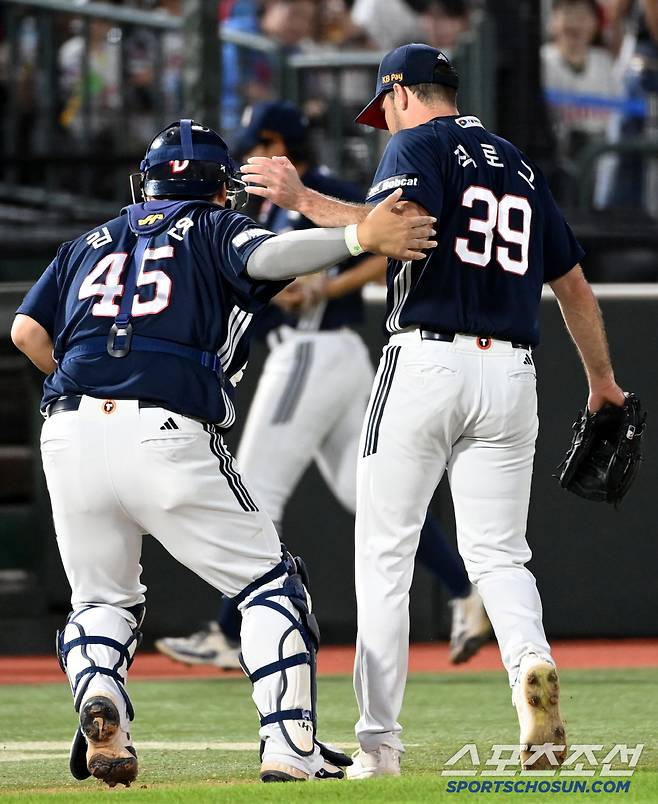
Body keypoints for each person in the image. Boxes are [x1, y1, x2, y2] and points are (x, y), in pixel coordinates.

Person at [240, 44, 627, 778]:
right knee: (501, 554)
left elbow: (394, 228)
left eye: (383, 107)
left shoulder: (417, 142)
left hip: (429, 358)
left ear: (400, 93)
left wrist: (302, 202)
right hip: (513, 373)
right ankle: (531, 670)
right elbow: (574, 284)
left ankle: (379, 747)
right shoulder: (517, 162)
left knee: (384, 554)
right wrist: (602, 381)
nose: (382, 122)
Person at [10, 119, 435, 786]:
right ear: (221, 192)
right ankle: (290, 746)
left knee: (101, 601)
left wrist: (91, 382)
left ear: (143, 184)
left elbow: (26, 330)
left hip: (69, 428)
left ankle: (102, 699)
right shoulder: (212, 227)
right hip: (166, 426)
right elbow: (266, 260)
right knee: (270, 586)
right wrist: (357, 237)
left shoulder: (88, 241)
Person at [154, 101, 491, 672]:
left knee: (256, 485)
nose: (250, 159)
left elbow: (390, 240)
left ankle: (228, 629)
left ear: (280, 142)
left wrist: (324, 290)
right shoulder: (263, 202)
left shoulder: (324, 190)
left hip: (315, 347)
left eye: (259, 145)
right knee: (368, 494)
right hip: (326, 356)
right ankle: (465, 590)